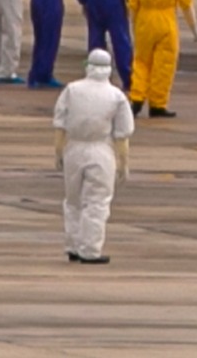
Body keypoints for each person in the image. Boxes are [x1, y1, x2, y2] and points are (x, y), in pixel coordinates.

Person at [53, 48, 135, 265]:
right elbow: (122, 134)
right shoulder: (116, 96)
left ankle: (72, 245)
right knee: (97, 201)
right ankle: (90, 249)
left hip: (73, 147)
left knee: (73, 200)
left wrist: (58, 152)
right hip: (101, 149)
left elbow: (60, 125)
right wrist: (123, 162)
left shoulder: (71, 90)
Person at [127, 0, 197, 118]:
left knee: (141, 61)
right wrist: (195, 30)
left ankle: (136, 99)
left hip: (144, 20)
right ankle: (157, 104)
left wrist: (133, 25)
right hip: (166, 20)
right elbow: (187, 4)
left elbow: (132, 3)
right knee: (164, 64)